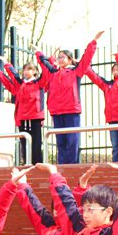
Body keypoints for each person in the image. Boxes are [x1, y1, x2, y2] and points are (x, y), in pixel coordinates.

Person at [35, 31, 104, 165]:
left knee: (72, 141)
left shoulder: (76, 71)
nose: (60, 59)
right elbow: (43, 63)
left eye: (63, 57)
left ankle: (72, 166)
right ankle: (62, 166)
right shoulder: (53, 73)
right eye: (59, 57)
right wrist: (38, 52)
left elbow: (86, 58)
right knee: (60, 142)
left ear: (70, 59)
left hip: (71, 111)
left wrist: (94, 41)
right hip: (56, 111)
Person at [0, 57, 46, 164]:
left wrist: (7, 63)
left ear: (35, 71)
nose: (26, 72)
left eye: (29, 69)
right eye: (25, 70)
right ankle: (27, 163)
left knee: (36, 143)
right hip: (22, 117)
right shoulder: (21, 85)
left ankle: (38, 164)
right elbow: (11, 79)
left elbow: (47, 72)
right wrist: (0, 71)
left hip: (35, 117)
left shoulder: (38, 83)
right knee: (24, 142)